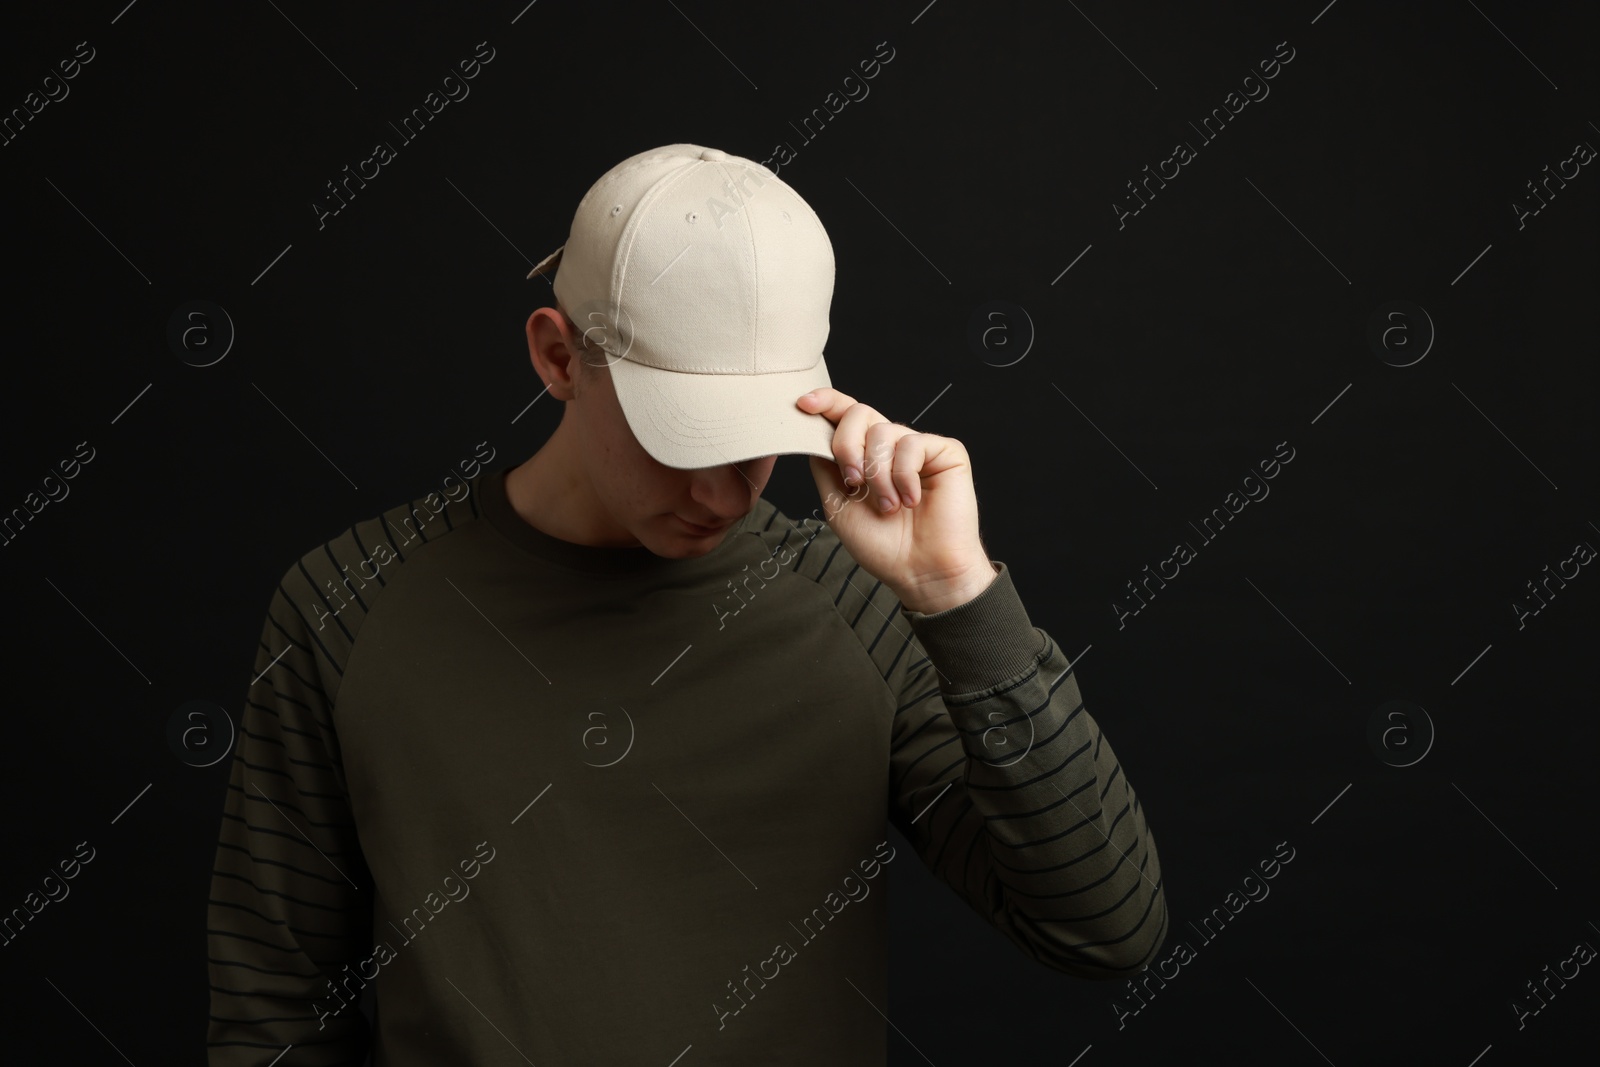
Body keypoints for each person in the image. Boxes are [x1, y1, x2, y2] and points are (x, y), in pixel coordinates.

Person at [205, 143, 1168, 1064]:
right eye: (681, 438)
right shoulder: (348, 606)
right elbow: (276, 1011)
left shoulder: (859, 611)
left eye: (753, 440)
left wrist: (959, 598)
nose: (721, 494)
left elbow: (1103, 926)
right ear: (556, 357)